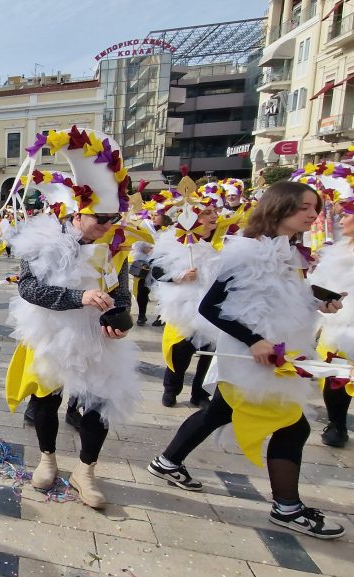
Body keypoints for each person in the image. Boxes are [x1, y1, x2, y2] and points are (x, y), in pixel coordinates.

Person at [148, 181, 346, 540]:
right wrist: (254, 340)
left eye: (314, 207)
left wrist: (318, 300)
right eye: (304, 207)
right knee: (293, 427)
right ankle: (287, 508)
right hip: (251, 359)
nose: (313, 214)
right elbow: (210, 307)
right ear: (279, 208)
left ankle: (167, 462)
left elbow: (281, 296)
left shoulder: (289, 251)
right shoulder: (247, 253)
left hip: (274, 353)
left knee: (219, 411)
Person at [5, 127, 138, 509]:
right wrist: (78, 297)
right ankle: (47, 459)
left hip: (96, 339)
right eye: (100, 218)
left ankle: (86, 471)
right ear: (79, 213)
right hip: (52, 333)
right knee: (47, 401)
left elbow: (122, 296)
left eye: (114, 217)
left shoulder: (116, 248)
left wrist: (119, 319)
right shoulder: (42, 240)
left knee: (98, 405)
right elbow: (29, 289)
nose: (108, 225)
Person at [150, 198, 223, 408]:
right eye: (207, 213)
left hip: (211, 308)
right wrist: (180, 276)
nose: (213, 217)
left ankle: (200, 394)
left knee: (208, 353)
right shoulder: (173, 241)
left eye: (214, 212)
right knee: (179, 352)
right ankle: (171, 390)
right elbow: (156, 271)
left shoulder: (223, 241)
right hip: (183, 309)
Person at [308, 196, 354, 448]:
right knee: (335, 376)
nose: (342, 219)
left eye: (348, 214)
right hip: (337, 325)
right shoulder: (336, 249)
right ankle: (337, 424)